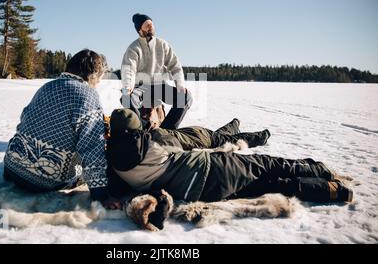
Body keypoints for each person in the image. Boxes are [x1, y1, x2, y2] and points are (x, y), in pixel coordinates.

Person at [106, 109, 353, 204]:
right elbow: (188, 145)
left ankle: (332, 191)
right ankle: (319, 170)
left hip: (200, 193)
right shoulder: (155, 140)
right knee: (267, 165)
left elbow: (114, 188)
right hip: (212, 168)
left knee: (271, 187)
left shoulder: (114, 167)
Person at [4, 49, 121, 209]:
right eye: (99, 78)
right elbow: (92, 147)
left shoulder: (47, 87)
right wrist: (100, 194)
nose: (98, 83)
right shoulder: (88, 96)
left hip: (12, 168)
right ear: (93, 75)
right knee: (103, 158)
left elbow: (24, 119)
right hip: (44, 181)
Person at [120, 13, 193, 130]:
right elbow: (129, 69)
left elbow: (175, 66)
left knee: (186, 97)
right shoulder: (134, 48)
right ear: (139, 30)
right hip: (141, 87)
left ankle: (167, 130)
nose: (151, 27)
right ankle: (142, 130)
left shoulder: (162, 44)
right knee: (126, 98)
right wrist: (128, 87)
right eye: (147, 25)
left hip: (160, 86)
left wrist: (180, 85)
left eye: (151, 24)